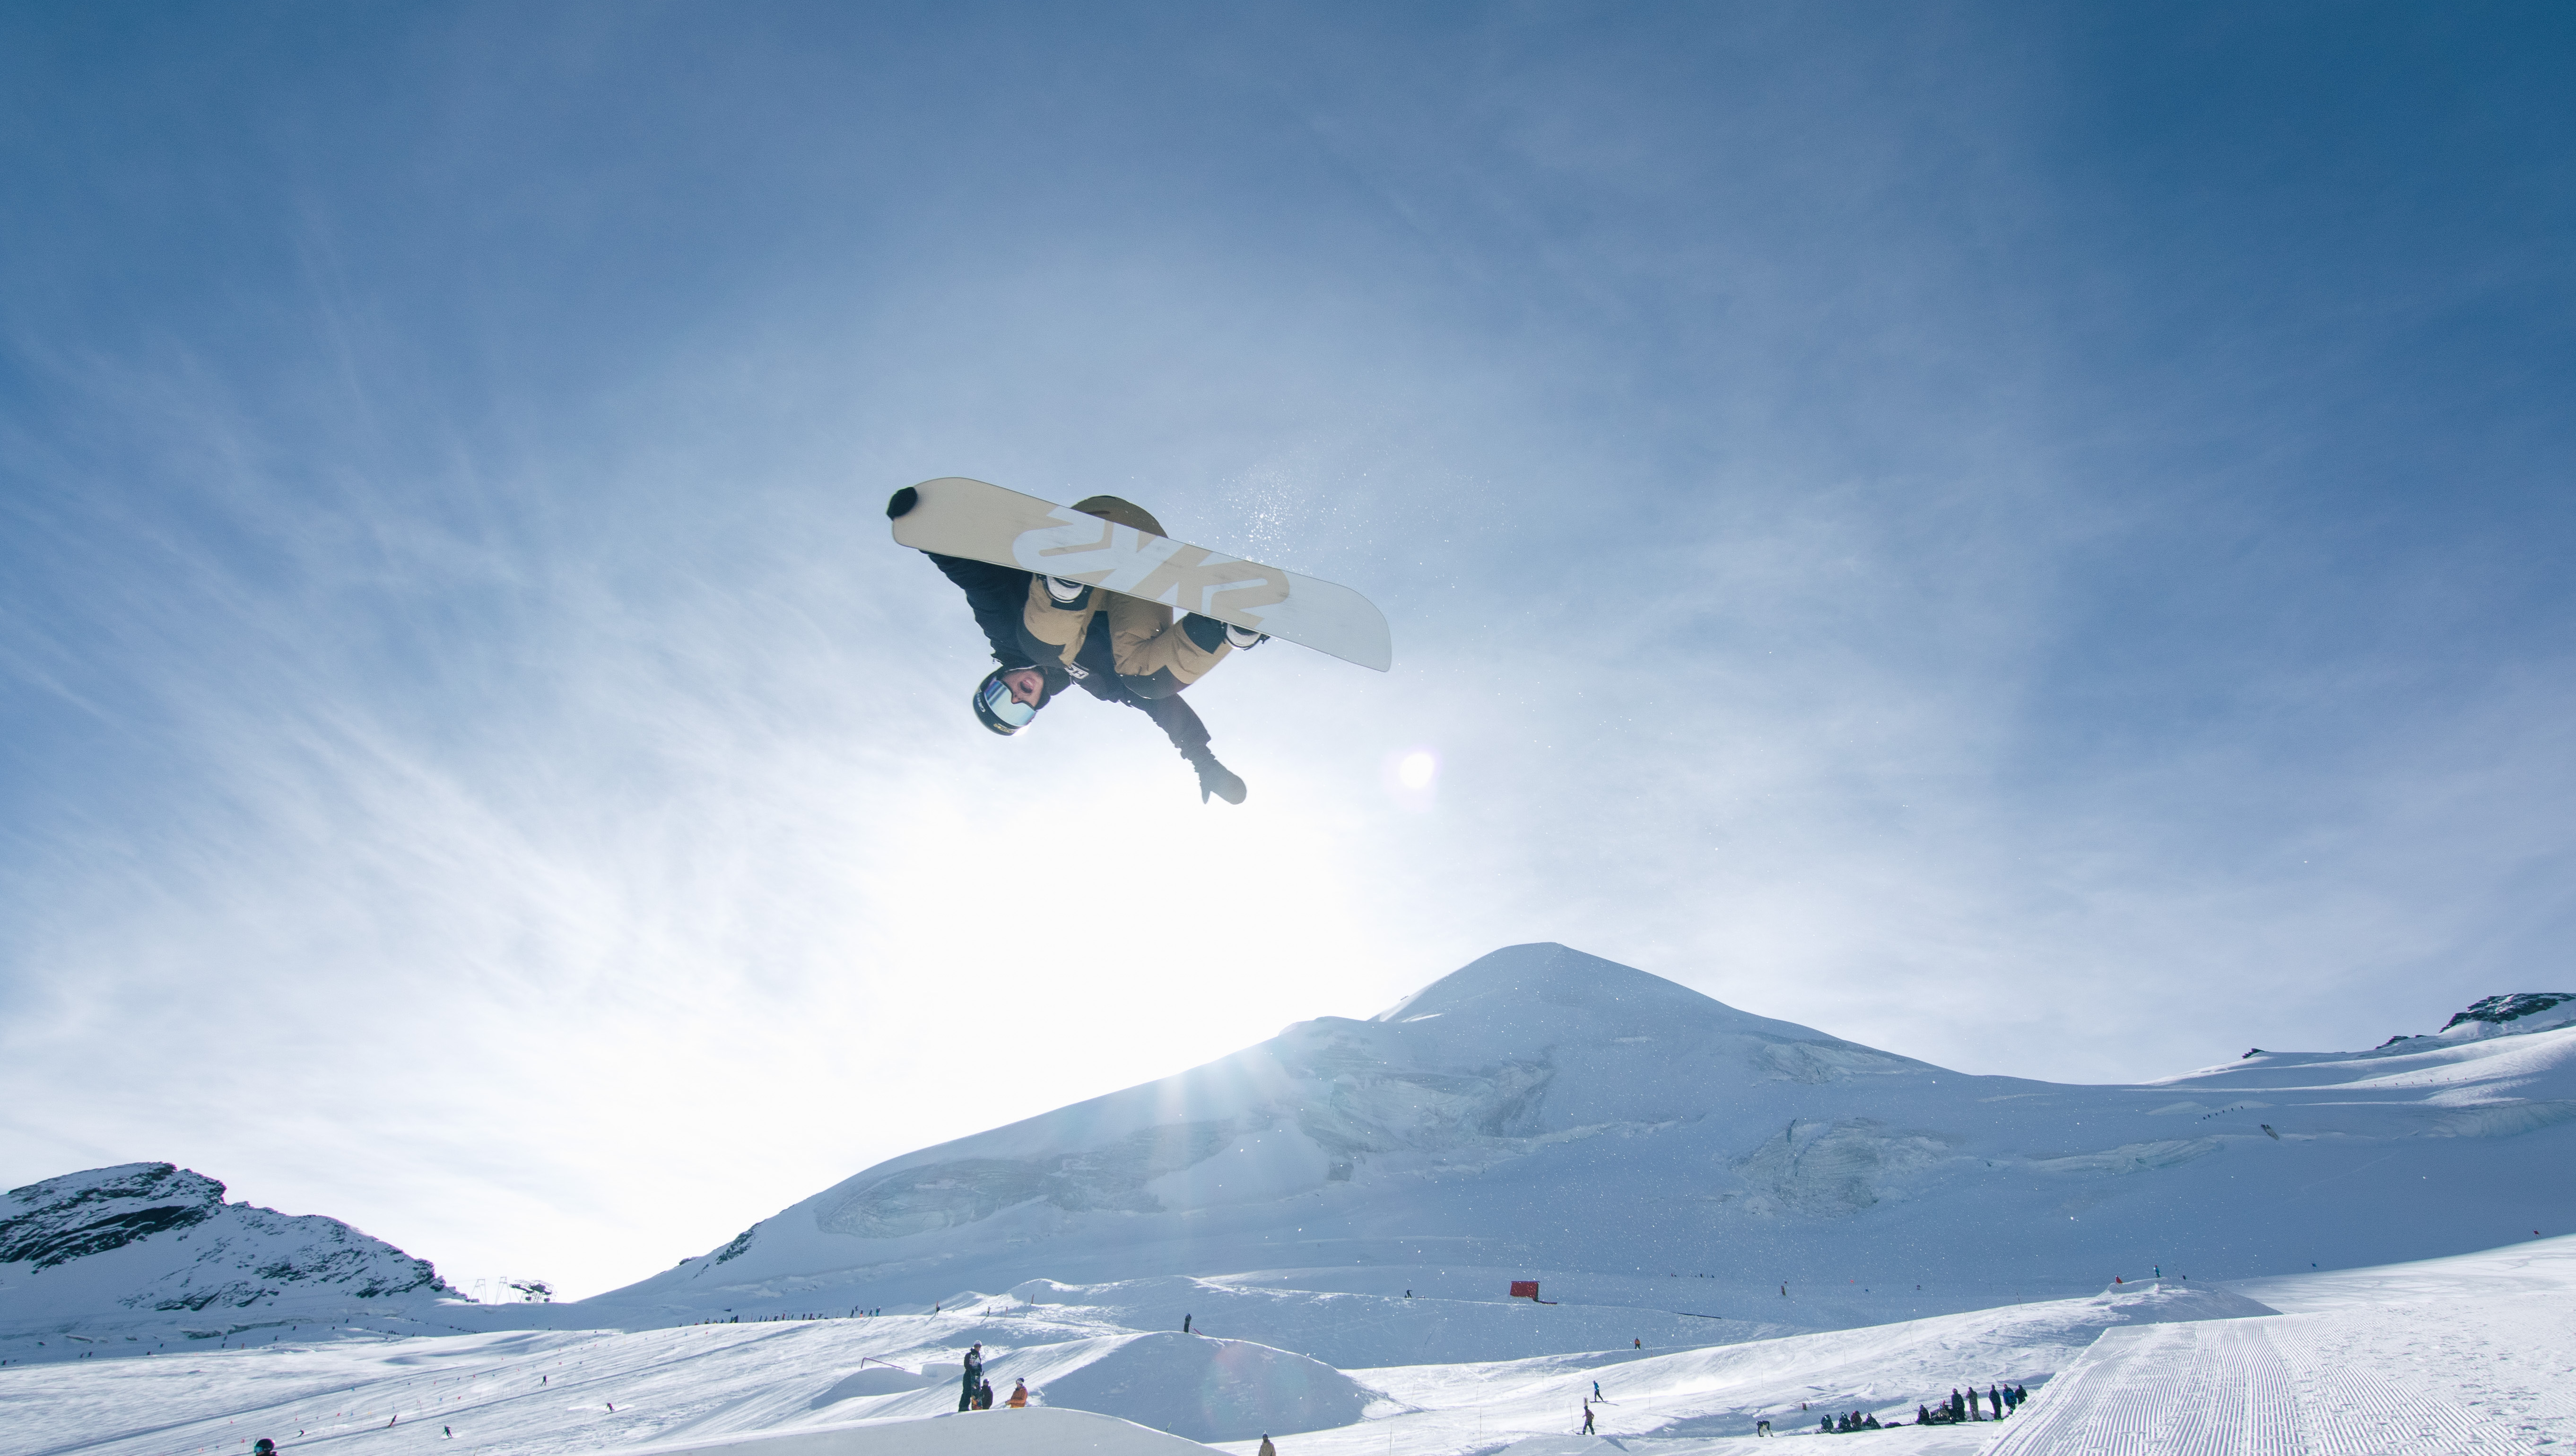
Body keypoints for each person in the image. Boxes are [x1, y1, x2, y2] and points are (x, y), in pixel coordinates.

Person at [905, 493, 1262, 803]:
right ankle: (1228, 626)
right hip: (1144, 558)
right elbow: (1161, 708)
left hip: (1093, 526)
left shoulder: (1005, 632)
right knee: (1148, 685)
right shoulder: (1097, 680)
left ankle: (1069, 577)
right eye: (1018, 713)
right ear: (1035, 710)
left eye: (1000, 696)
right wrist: (1203, 761)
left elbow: (975, 579)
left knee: (1043, 648)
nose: (1017, 698)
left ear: (997, 678)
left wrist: (924, 529)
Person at [960, 1343, 983, 1412]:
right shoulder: (969, 1355)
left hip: (975, 1376)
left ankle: (975, 1406)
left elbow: (978, 1365)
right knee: (967, 1391)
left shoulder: (978, 1356)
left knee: (975, 1391)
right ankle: (964, 1407)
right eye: (977, 1346)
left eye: (979, 1347)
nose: (978, 1348)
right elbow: (966, 1365)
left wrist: (979, 1369)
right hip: (968, 1375)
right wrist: (971, 1369)